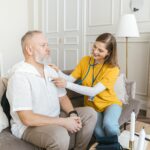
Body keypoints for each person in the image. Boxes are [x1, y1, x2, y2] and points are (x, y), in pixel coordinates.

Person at [6, 30, 97, 150]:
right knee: (59, 136)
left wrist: (72, 113)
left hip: (55, 116)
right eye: (43, 45)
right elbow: (27, 118)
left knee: (90, 114)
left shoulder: (50, 71)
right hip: (29, 127)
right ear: (29, 50)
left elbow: (62, 97)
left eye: (47, 45)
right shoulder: (20, 76)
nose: (48, 49)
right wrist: (63, 122)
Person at [51, 33, 122, 139]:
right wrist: (58, 71)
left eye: (100, 50)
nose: (95, 51)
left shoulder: (113, 69)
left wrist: (67, 84)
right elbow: (70, 79)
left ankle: (117, 146)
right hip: (91, 106)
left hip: (110, 103)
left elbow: (93, 91)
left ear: (109, 53)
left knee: (110, 126)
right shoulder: (85, 61)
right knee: (99, 133)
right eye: (94, 47)